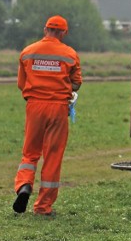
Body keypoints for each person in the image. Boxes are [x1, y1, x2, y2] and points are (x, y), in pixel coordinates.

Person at [13, 15, 83, 216]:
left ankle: (24, 185)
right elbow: (76, 83)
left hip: (34, 106)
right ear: (63, 33)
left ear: (45, 30)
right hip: (58, 108)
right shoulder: (70, 54)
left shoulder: (27, 52)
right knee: (53, 156)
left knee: (30, 153)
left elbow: (21, 84)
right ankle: (43, 207)